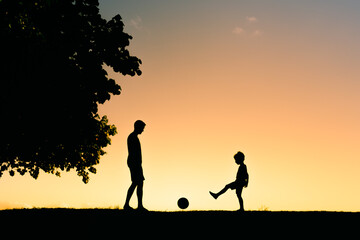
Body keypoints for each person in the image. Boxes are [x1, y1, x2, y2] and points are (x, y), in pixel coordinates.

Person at [124, 120, 148, 211]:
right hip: (134, 163)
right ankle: (130, 205)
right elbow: (134, 152)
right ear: (138, 127)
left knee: (138, 183)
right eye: (142, 128)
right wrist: (137, 163)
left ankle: (138, 205)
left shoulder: (133, 137)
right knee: (136, 183)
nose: (143, 130)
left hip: (135, 163)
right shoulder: (132, 137)